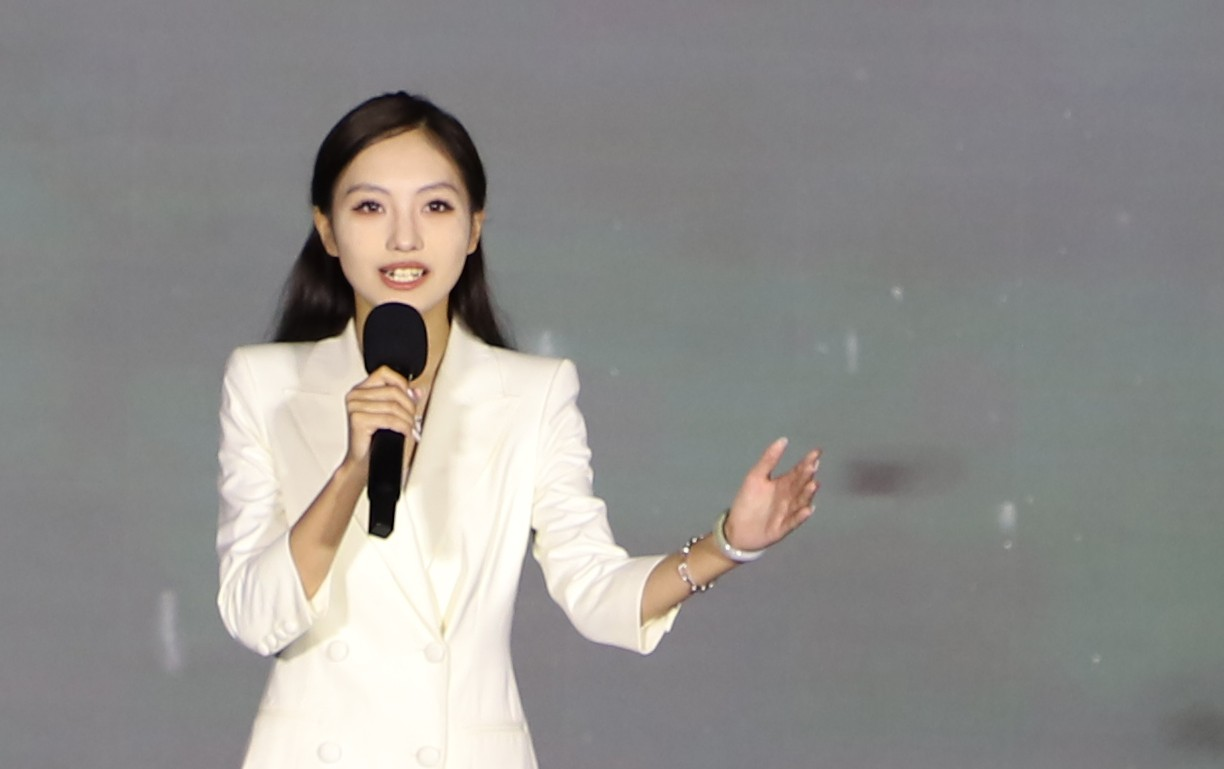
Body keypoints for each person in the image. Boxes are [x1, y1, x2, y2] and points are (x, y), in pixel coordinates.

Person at [216, 91, 821, 769]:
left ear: (474, 227)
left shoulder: (534, 393)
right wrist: (351, 471)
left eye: (435, 207)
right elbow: (252, 614)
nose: (404, 238)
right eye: (370, 207)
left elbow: (594, 589)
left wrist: (728, 544)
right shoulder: (266, 384)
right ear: (327, 229)